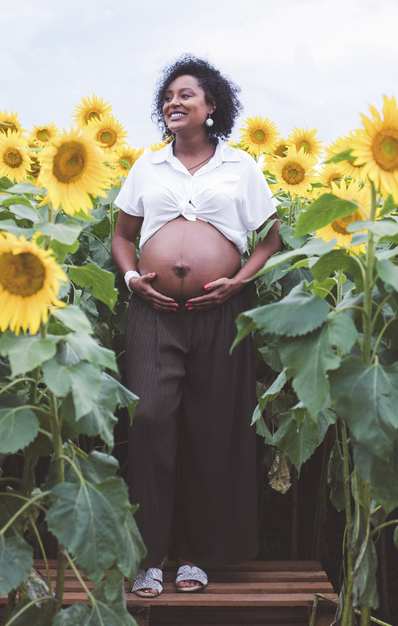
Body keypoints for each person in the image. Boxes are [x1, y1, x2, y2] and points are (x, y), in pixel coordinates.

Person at [111, 56, 283, 598]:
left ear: (211, 106)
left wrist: (238, 282)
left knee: (211, 428)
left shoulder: (240, 166)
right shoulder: (147, 166)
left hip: (219, 312)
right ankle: (148, 555)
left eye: (186, 94)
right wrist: (132, 278)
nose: (173, 102)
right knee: (150, 419)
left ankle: (193, 555)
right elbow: (122, 235)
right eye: (168, 96)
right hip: (153, 312)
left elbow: (270, 239)